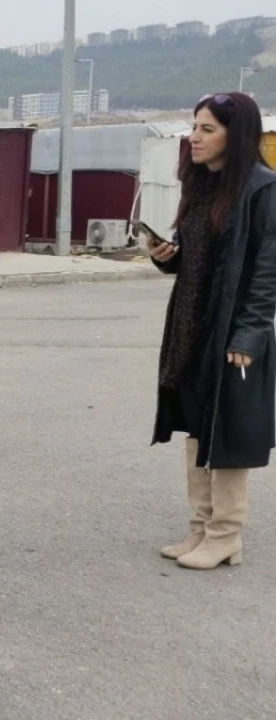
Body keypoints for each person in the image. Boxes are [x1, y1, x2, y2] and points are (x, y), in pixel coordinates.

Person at [149, 92, 276, 571]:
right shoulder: (202, 184)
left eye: (206, 129)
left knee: (228, 430)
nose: (194, 138)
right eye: (193, 126)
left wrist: (249, 336)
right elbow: (198, 259)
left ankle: (226, 534)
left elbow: (266, 273)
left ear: (234, 135)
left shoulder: (263, 189)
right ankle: (201, 528)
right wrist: (168, 256)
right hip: (191, 325)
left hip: (232, 330)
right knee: (197, 423)